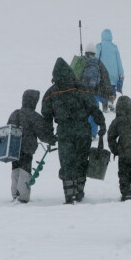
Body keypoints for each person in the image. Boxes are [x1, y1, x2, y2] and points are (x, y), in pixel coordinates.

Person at [42, 58, 106, 204]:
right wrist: (101, 124)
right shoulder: (80, 87)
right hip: (83, 130)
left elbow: (46, 116)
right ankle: (79, 191)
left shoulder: (51, 92)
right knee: (82, 161)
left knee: (67, 163)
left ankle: (69, 194)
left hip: (64, 131)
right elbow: (93, 107)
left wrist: (49, 135)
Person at [7, 89, 54, 203]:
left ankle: (15, 193)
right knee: (25, 170)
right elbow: (42, 133)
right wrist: (51, 139)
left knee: (15, 169)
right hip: (27, 147)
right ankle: (23, 196)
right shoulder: (34, 116)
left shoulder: (15, 113)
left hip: (13, 147)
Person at [107, 95, 131, 201]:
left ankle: (126, 192)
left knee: (124, 174)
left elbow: (111, 137)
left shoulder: (117, 121)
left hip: (123, 152)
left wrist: (115, 150)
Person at [83, 43, 114, 138]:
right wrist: (110, 93)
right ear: (94, 53)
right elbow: (105, 78)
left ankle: (84, 132)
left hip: (82, 93)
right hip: (94, 93)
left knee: (83, 113)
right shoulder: (98, 62)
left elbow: (71, 74)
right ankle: (93, 133)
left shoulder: (80, 61)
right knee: (94, 113)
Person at [96, 29, 125, 112]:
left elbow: (95, 59)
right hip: (113, 75)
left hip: (103, 74)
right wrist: (121, 73)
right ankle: (110, 101)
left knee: (103, 90)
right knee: (112, 90)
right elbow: (118, 61)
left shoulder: (99, 46)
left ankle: (105, 105)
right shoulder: (114, 47)